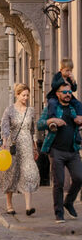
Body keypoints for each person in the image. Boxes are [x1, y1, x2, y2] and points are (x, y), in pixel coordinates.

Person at [38, 82, 82, 223]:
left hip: (73, 150)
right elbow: (39, 124)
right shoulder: (52, 107)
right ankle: (59, 213)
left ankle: (68, 202)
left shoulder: (74, 107)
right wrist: (53, 120)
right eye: (64, 92)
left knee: (79, 178)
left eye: (69, 92)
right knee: (59, 182)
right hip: (56, 151)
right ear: (58, 94)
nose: (68, 94)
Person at [0, 84, 39, 216]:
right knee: (11, 174)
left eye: (27, 95)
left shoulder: (30, 111)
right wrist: (4, 143)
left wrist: (34, 147)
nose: (26, 98)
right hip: (13, 145)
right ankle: (9, 205)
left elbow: (33, 130)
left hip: (26, 144)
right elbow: (5, 128)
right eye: (23, 95)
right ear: (17, 95)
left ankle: (28, 207)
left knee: (28, 173)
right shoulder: (9, 110)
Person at [46, 58, 82, 131]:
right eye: (67, 70)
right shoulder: (57, 76)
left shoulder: (70, 78)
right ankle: (52, 121)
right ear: (61, 70)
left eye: (70, 70)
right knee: (52, 103)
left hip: (68, 96)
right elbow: (54, 85)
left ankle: (80, 121)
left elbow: (74, 89)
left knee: (78, 103)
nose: (69, 72)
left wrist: (73, 81)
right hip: (55, 96)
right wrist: (63, 81)